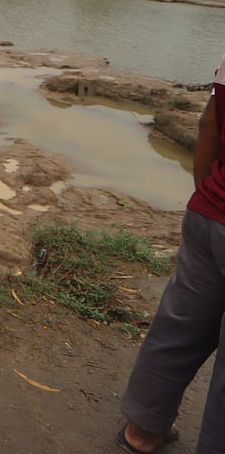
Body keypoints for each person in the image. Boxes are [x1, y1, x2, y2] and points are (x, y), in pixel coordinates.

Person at [116, 51, 225, 453]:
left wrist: (205, 196)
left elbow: (210, 124)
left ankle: (143, 429)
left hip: (211, 211)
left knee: (180, 323)